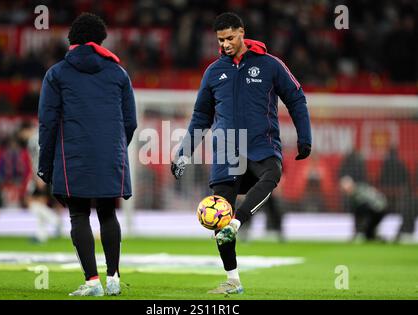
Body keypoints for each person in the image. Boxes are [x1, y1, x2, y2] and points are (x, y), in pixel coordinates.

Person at [171, 12, 312, 294]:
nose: (225, 44)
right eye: (221, 39)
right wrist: (184, 153)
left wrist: (304, 137)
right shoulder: (213, 72)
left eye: (231, 37)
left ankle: (237, 222)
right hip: (226, 151)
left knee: (272, 174)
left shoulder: (271, 65)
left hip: (261, 145)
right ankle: (232, 279)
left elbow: (296, 98)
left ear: (242, 33)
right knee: (218, 213)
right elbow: (201, 116)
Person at [38, 13, 137, 297]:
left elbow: (48, 122)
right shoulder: (118, 73)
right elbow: (130, 121)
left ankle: (92, 282)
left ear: (71, 41)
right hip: (110, 156)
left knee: (78, 214)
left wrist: (46, 164)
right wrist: (115, 149)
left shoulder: (57, 74)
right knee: (107, 213)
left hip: (73, 157)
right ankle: (114, 278)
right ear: (101, 41)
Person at [19, 121, 62, 244]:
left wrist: (39, 176)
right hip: (50, 173)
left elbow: (39, 157)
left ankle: (55, 221)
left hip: (42, 175)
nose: (21, 137)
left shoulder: (33, 140)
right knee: (40, 202)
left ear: (25, 130)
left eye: (21, 134)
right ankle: (41, 234)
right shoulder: (41, 135)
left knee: (30, 201)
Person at [339, 176, 388, 242]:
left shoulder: (357, 194)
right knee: (368, 234)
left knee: (359, 212)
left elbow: (361, 210)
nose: (345, 192)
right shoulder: (361, 187)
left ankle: (368, 234)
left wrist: (355, 231)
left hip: (378, 209)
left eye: (344, 189)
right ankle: (376, 237)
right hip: (382, 208)